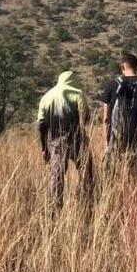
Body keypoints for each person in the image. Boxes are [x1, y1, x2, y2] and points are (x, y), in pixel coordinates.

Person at [37, 71, 93, 209]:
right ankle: (89, 203)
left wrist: (44, 148)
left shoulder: (46, 97)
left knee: (56, 177)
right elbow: (85, 118)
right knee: (87, 172)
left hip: (56, 143)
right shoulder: (77, 94)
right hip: (77, 140)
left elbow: (41, 125)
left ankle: (55, 208)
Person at [98, 53, 137, 179]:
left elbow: (106, 119)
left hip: (116, 138)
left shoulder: (111, 85)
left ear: (122, 67)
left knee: (112, 178)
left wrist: (107, 143)